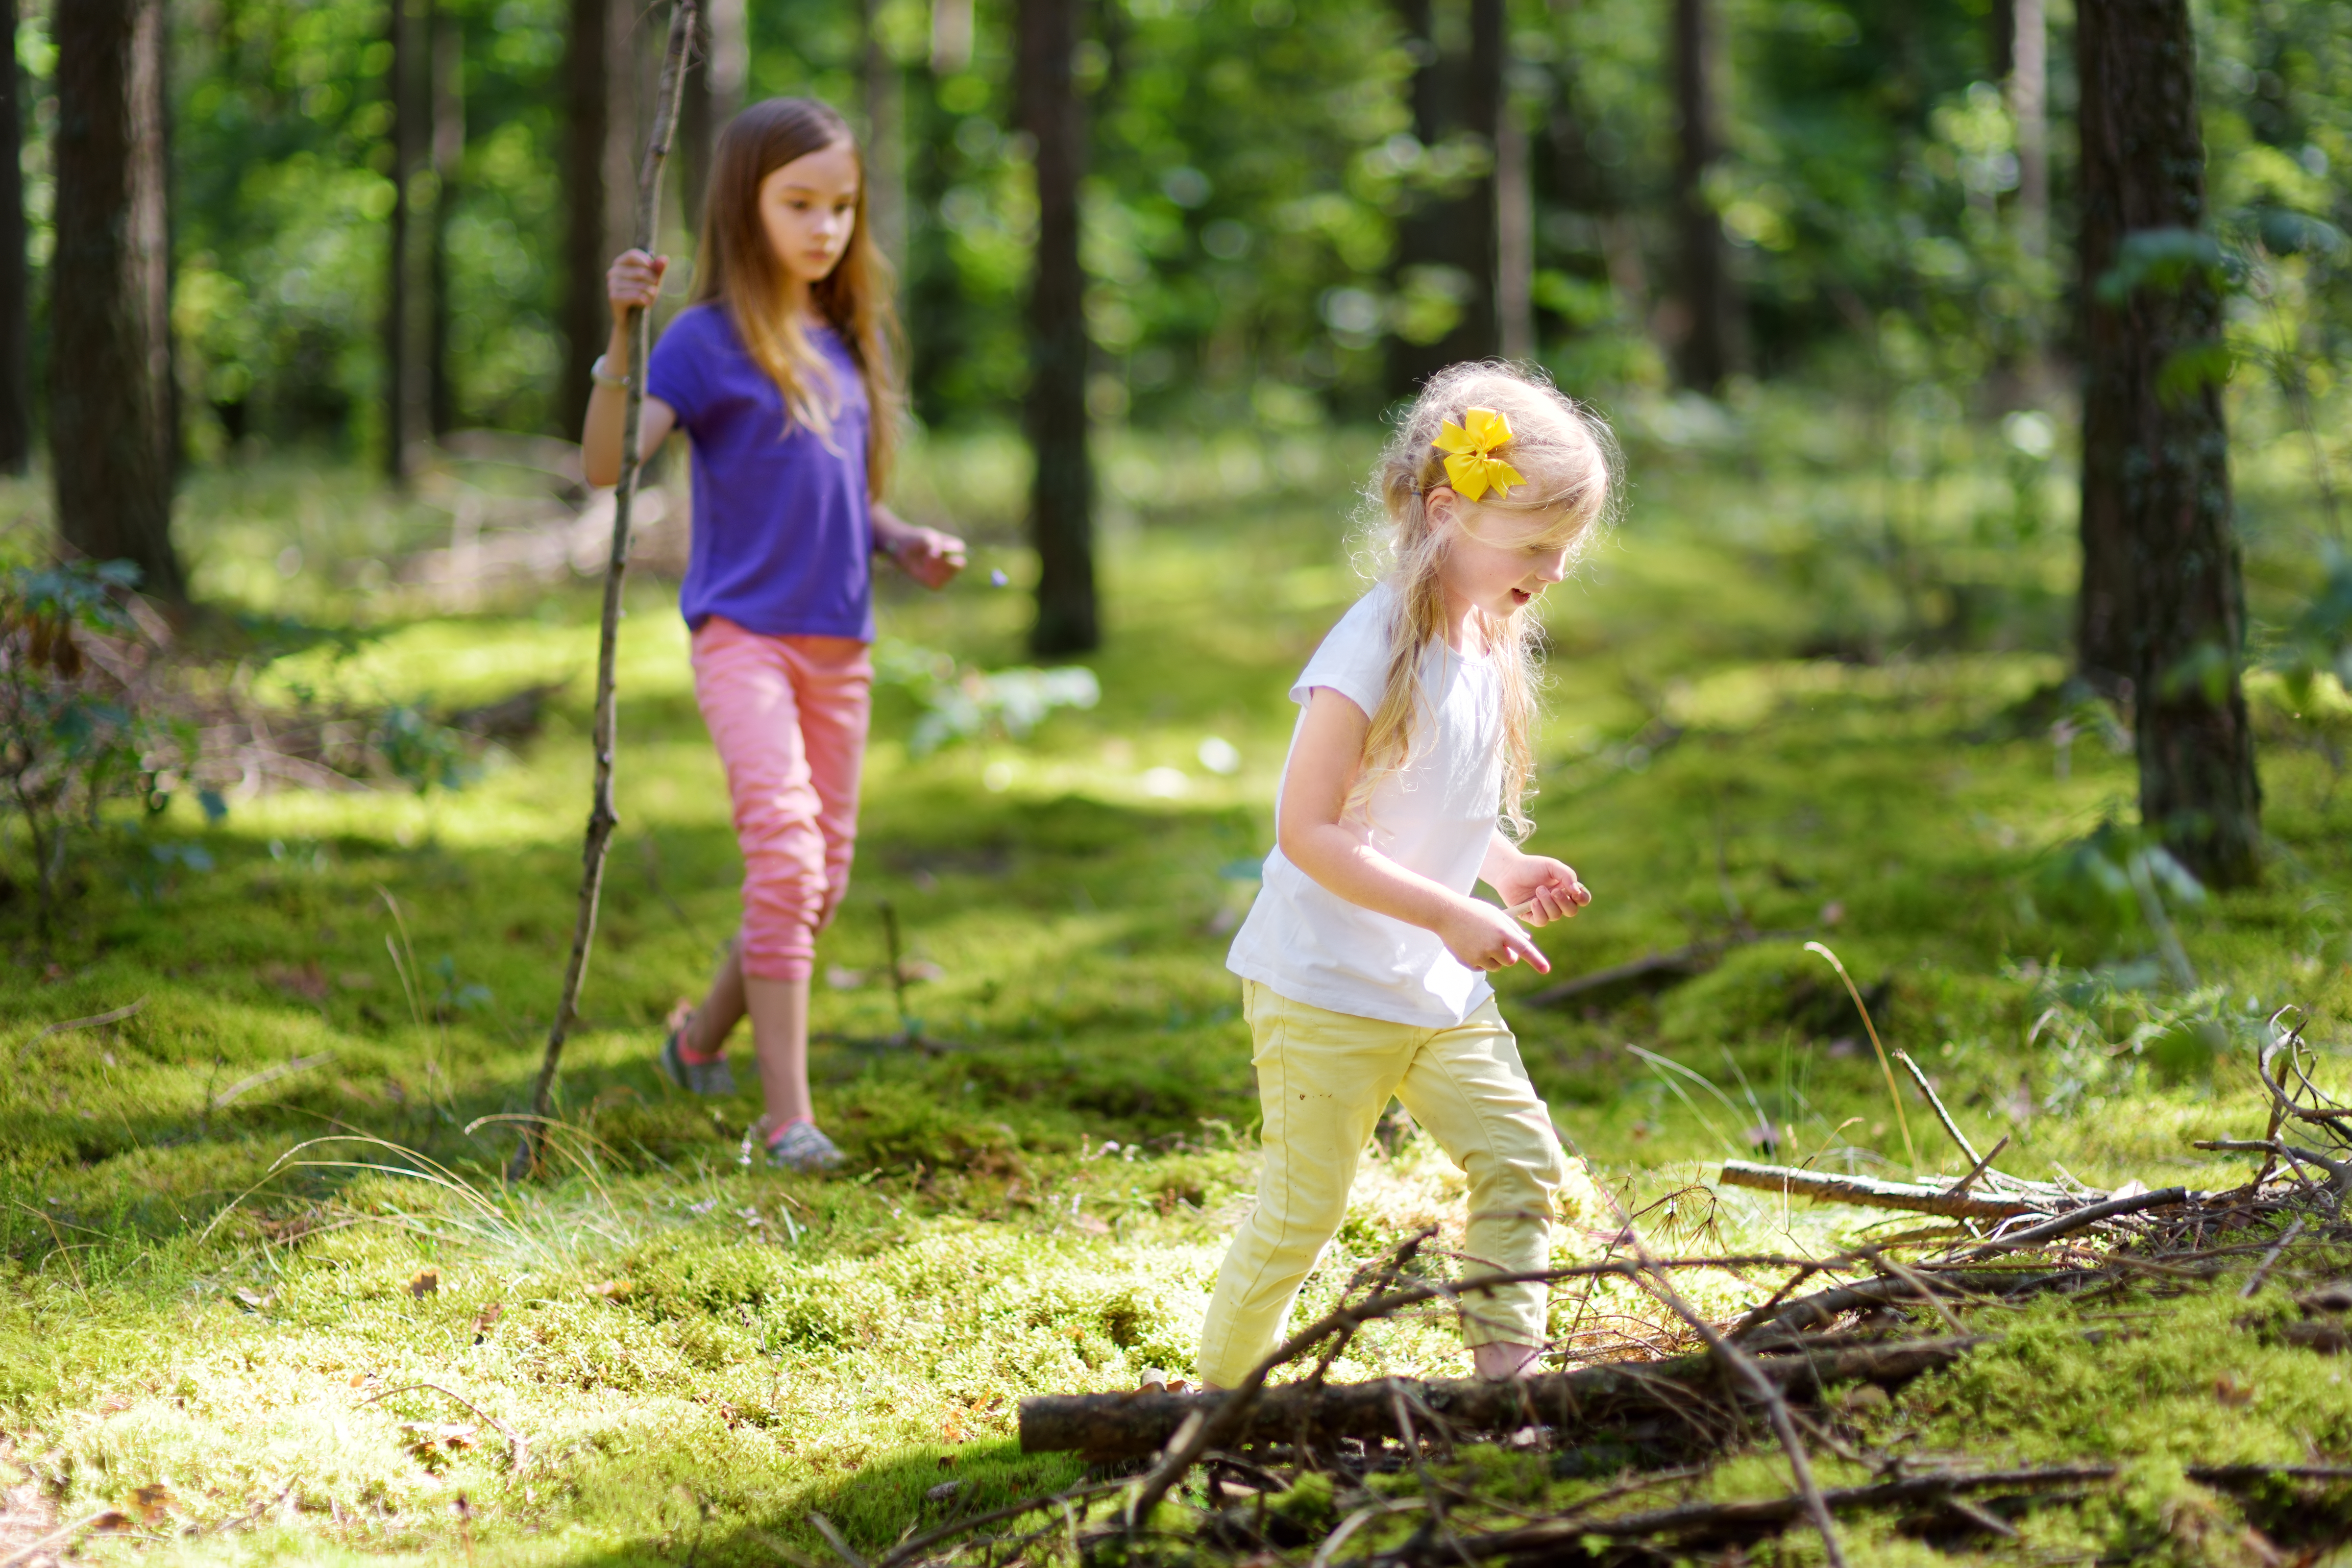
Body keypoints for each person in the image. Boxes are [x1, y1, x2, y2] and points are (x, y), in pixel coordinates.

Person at [1200, 363, 1616, 1388]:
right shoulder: (1374, 642)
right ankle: (1215, 1407)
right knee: (1304, 1210)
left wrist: (1504, 869)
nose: (1555, 571)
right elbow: (1310, 830)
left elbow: (1430, 800)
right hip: (1326, 987)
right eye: (1536, 546)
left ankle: (1505, 1386)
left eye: (1567, 548)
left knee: (1524, 1161)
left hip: (1436, 991)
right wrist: (1446, 914)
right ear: (1446, 512)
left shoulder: (1486, 638)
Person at [581, 98, 965, 1171]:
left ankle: (696, 1041)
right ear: (743, 206)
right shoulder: (702, 343)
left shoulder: (840, 343)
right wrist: (622, 333)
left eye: (841, 206)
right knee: (787, 858)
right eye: (799, 203)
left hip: (842, 648)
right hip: (743, 639)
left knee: (819, 881)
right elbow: (608, 467)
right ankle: (784, 1116)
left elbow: (845, 498)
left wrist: (903, 541)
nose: (825, 226)